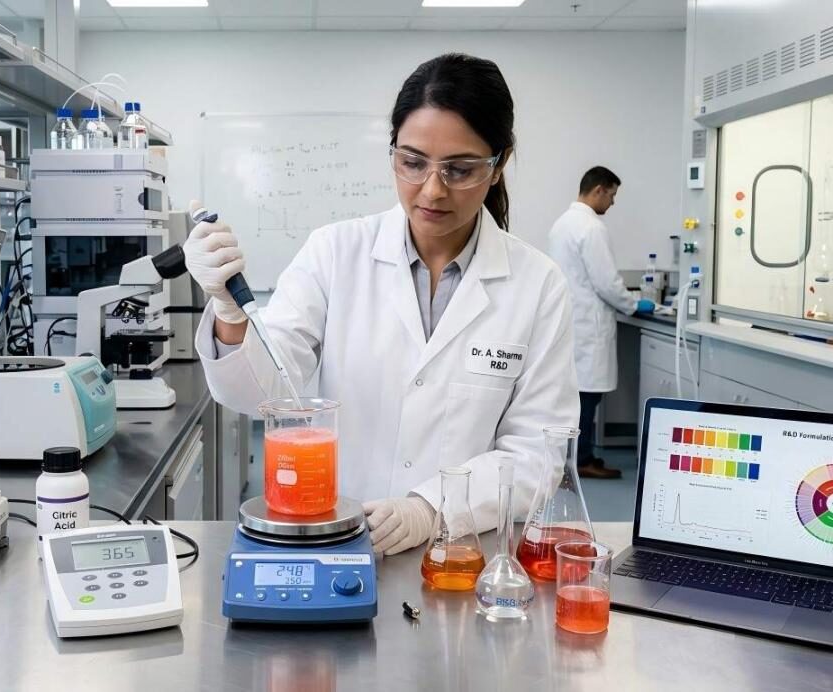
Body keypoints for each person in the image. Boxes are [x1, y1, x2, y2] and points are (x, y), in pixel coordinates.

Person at [184, 53, 579, 557]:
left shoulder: (537, 285)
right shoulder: (334, 252)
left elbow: (539, 454)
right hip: (341, 540)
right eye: (413, 162)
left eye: (459, 169)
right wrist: (229, 312)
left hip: (463, 554)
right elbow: (265, 391)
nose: (432, 190)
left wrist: (432, 507)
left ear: (498, 165)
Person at [546, 166, 654, 480]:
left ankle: (574, 457)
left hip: (573, 320)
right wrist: (635, 305)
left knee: (578, 396)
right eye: (612, 195)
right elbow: (606, 283)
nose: (613, 203)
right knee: (587, 397)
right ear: (599, 191)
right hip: (588, 325)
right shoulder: (591, 228)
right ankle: (583, 459)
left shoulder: (562, 224)